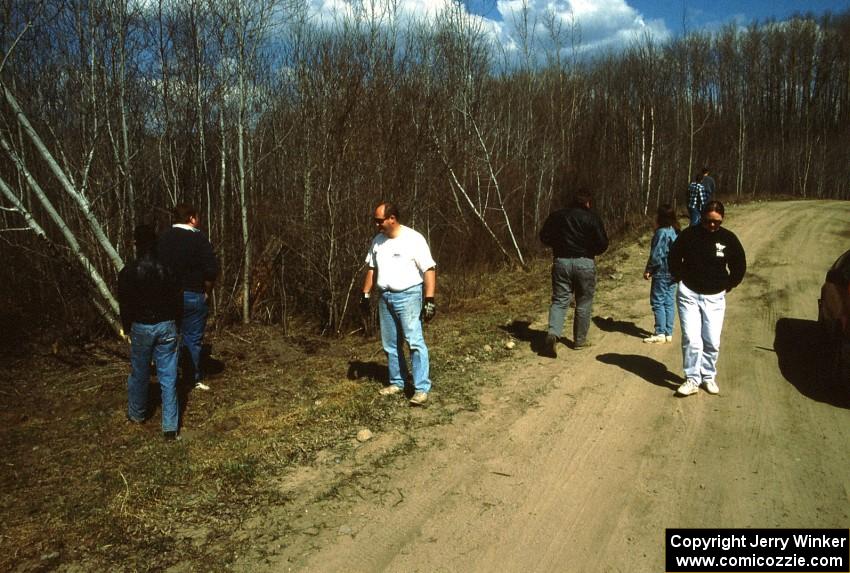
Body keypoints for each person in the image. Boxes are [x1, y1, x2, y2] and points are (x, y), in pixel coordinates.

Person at [361, 202, 437, 406]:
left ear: (392, 218)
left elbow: (429, 269)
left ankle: (421, 388)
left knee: (414, 342)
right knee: (390, 344)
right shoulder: (378, 241)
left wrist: (429, 299)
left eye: (380, 221)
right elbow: (371, 268)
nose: (377, 225)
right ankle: (397, 381)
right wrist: (365, 293)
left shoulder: (413, 239)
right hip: (385, 297)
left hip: (409, 296)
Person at [668, 200, 746, 397]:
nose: (712, 225)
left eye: (717, 222)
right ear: (702, 218)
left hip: (715, 296)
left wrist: (729, 283)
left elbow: (739, 264)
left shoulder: (728, 239)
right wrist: (679, 277)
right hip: (689, 294)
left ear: (722, 220)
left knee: (711, 340)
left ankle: (708, 376)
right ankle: (692, 379)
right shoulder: (689, 235)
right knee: (692, 339)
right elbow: (674, 257)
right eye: (708, 221)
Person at [118, 224, 183, 440]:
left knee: (140, 372)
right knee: (169, 375)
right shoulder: (168, 269)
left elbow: (125, 305)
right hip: (167, 325)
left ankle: (137, 415)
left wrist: (127, 328)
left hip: (141, 327)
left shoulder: (128, 272)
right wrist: (178, 324)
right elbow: (177, 301)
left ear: (136, 244)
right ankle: (170, 428)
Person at [539, 191, 609, 357]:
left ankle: (553, 334)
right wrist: (590, 251)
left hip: (561, 261)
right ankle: (579, 341)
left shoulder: (557, 216)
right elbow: (603, 243)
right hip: (585, 262)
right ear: (587, 203)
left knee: (559, 300)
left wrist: (558, 244)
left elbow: (544, 237)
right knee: (584, 301)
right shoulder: (592, 218)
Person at [157, 203, 218, 391]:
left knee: (167, 339)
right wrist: (206, 291)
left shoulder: (163, 238)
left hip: (167, 295)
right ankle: (192, 379)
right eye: (197, 217)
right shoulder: (199, 239)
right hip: (193, 294)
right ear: (191, 218)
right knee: (192, 338)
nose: (198, 221)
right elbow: (211, 270)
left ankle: (167, 379)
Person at [643, 204, 680, 343]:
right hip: (673, 272)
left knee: (658, 302)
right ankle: (668, 332)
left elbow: (656, 255)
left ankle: (660, 332)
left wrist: (649, 270)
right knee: (669, 302)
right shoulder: (675, 231)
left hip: (661, 272)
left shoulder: (661, 233)